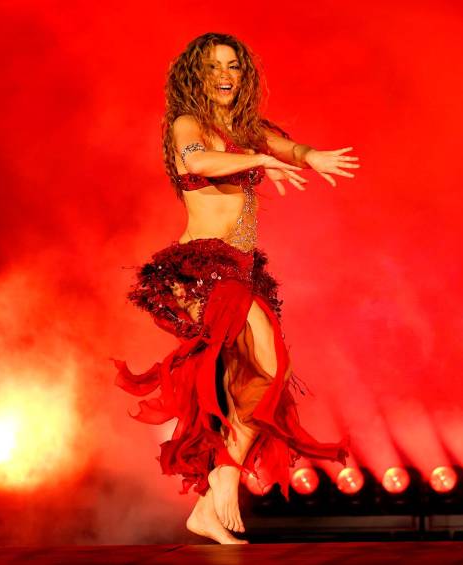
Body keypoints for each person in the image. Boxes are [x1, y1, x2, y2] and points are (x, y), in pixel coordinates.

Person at [115, 32, 359, 544]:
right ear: (195, 76)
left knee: (264, 378)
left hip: (242, 270)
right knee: (260, 372)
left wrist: (307, 155)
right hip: (201, 267)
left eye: (234, 66)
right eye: (213, 67)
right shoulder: (188, 124)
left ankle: (214, 494)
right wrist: (262, 161)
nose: (226, 75)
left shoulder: (248, 130)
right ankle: (220, 483)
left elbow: (287, 145)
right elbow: (197, 162)